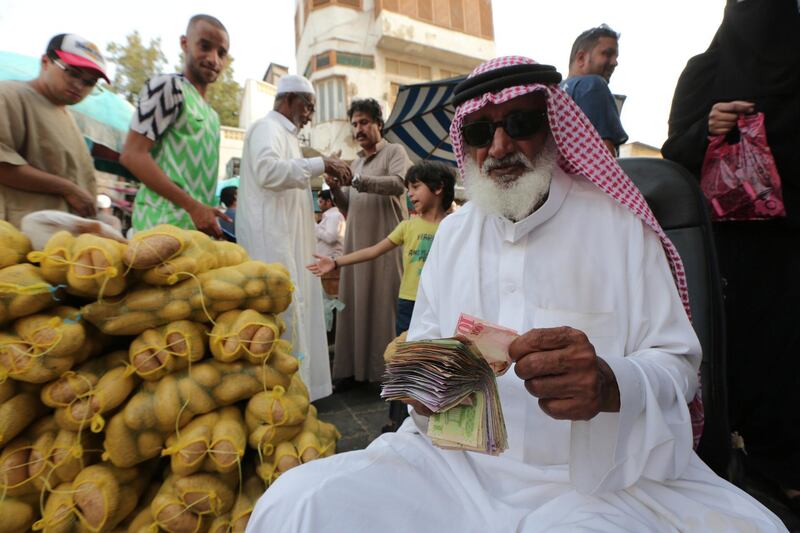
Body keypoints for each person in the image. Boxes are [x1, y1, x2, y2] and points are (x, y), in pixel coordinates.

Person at [246, 56, 785, 532]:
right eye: (480, 134)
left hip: (592, 482)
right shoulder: (453, 236)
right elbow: (429, 352)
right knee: (298, 505)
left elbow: (678, 365)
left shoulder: (620, 227)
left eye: (519, 124)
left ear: (551, 128)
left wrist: (609, 382)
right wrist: (425, 381)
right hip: (456, 468)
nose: (499, 146)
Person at [662, 0, 800, 512]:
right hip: (725, 248)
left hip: (788, 246)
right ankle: (726, 457)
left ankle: (780, 466)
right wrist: (709, 129)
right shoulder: (705, 73)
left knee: (786, 360)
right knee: (728, 354)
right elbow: (675, 152)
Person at [308, 161, 456, 432]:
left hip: (443, 306)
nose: (409, 194)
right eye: (408, 188)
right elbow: (373, 251)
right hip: (409, 304)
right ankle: (396, 419)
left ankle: (436, 417)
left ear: (438, 188)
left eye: (415, 187)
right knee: (403, 360)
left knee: (435, 360)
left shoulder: (455, 226)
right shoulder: (408, 226)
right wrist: (336, 262)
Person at [237, 74, 350, 401]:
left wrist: (321, 169)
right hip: (271, 246)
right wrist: (319, 162)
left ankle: (298, 393)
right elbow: (269, 172)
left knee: (298, 317)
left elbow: (289, 175)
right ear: (288, 100)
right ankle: (279, 397)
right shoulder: (265, 128)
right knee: (282, 320)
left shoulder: (287, 138)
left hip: (291, 245)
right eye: (308, 106)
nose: (310, 115)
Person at [120, 14, 230, 238]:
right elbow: (132, 155)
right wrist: (193, 207)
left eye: (221, 53)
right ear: (185, 43)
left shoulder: (211, 115)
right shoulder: (168, 87)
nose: (213, 59)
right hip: (158, 229)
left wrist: (203, 211)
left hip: (192, 236)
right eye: (205, 46)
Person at [327, 98, 412, 388]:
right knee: (354, 305)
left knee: (382, 306)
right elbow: (347, 207)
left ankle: (383, 375)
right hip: (355, 244)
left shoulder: (395, 152)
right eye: (354, 124)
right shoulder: (357, 162)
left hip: (385, 244)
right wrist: (335, 187)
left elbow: (400, 183)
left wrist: (358, 180)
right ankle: (352, 372)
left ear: (379, 123)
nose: (358, 129)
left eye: (364, 122)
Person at [0, 33, 108, 228]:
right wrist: (67, 188)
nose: (80, 85)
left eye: (90, 82)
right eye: (73, 72)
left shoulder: (69, 119)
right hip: (14, 239)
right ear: (45, 62)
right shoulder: (9, 96)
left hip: (57, 244)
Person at [561, 24, 628, 156]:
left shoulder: (556, 90)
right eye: (607, 54)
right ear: (581, 58)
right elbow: (604, 154)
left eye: (616, 56)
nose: (615, 62)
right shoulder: (593, 85)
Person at [314, 189, 345, 259]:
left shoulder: (334, 215)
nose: (319, 205)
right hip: (328, 260)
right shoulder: (331, 216)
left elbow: (330, 238)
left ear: (328, 202)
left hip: (332, 259)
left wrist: (314, 226)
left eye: (320, 201)